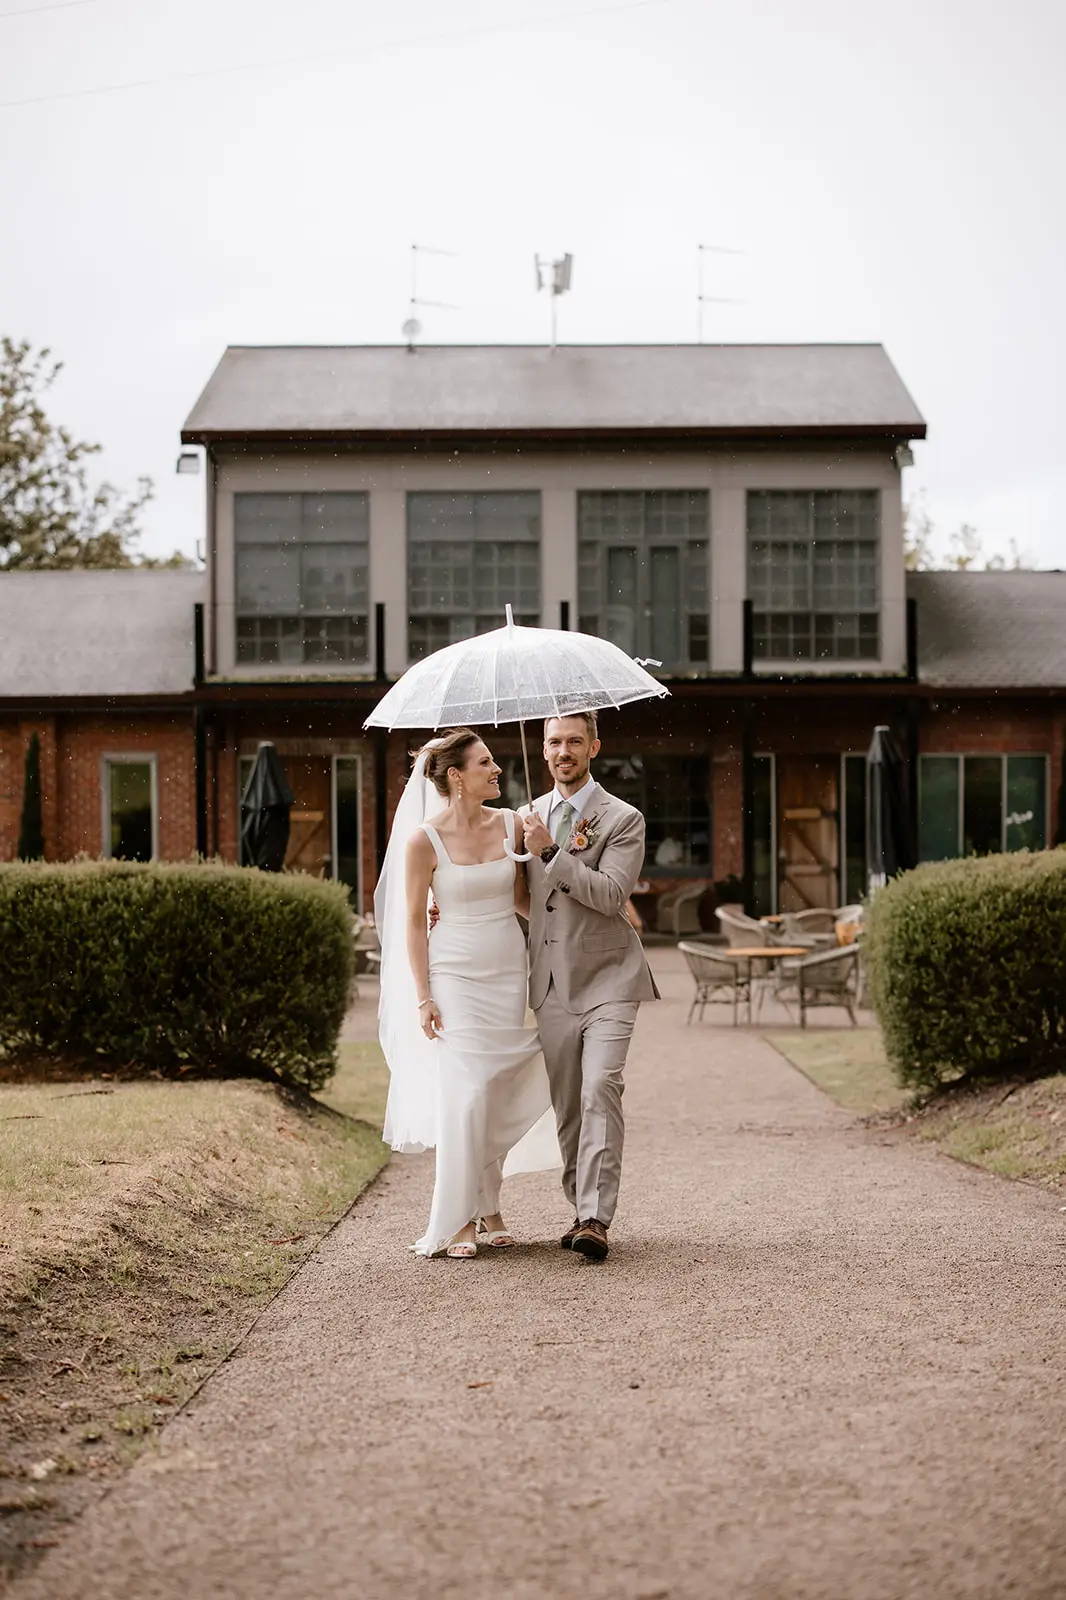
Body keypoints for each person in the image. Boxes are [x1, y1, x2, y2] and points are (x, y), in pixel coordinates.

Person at [375, 728, 557, 1259]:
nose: (496, 770)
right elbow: (411, 923)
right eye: (484, 763)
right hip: (453, 973)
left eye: (495, 762)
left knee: (494, 1088)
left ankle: (490, 1206)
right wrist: (423, 995)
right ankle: (456, 1218)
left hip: (506, 969)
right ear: (456, 776)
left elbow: (524, 900)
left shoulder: (513, 825)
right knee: (467, 1092)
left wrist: (568, 924)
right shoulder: (422, 841)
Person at [522, 712, 660, 1262]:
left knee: (601, 1085)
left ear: (594, 747)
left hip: (610, 977)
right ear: (545, 750)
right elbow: (525, 900)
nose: (563, 751)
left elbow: (608, 895)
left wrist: (552, 853)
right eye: (554, 741)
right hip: (551, 983)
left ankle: (595, 1219)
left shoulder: (624, 819)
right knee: (569, 1105)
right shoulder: (525, 816)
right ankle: (579, 1208)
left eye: (574, 741)